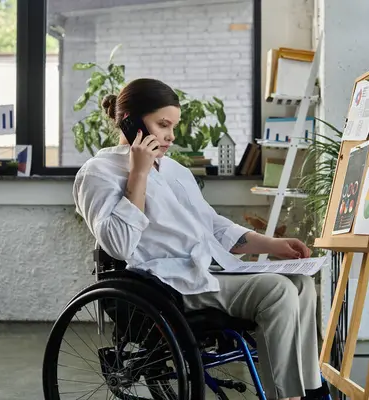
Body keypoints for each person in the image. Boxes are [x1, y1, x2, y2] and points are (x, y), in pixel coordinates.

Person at [73, 78, 327, 400]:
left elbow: (213, 227)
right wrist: (138, 173)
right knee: (276, 292)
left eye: (173, 126)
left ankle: (308, 391)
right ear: (131, 120)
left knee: (300, 283)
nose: (170, 136)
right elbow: (119, 245)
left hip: (206, 272)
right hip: (165, 284)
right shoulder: (98, 173)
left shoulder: (175, 170)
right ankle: (287, 396)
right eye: (163, 124)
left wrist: (272, 245)